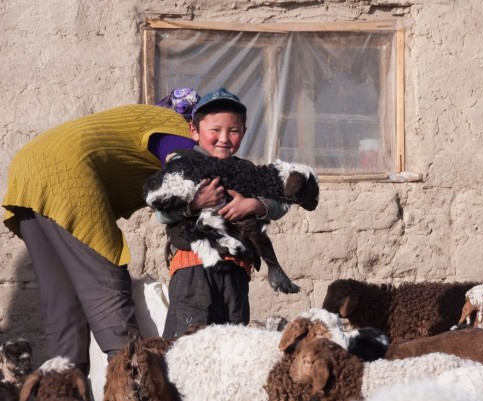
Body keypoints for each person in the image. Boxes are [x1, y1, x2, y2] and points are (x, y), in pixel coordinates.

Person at [0, 88, 202, 375]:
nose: (221, 138)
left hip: (26, 170)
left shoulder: (138, 118)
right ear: (194, 124)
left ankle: (65, 389)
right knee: (106, 286)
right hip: (66, 174)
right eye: (214, 128)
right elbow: (183, 169)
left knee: (63, 303)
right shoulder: (175, 128)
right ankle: (131, 381)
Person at [156, 88, 290, 339]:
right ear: (194, 131)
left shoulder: (247, 171)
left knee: (231, 348)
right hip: (193, 273)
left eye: (234, 131)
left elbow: (280, 204)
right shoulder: (182, 165)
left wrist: (254, 206)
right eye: (214, 130)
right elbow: (162, 215)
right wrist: (195, 204)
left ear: (244, 133)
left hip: (235, 275)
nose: (224, 138)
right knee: (188, 347)